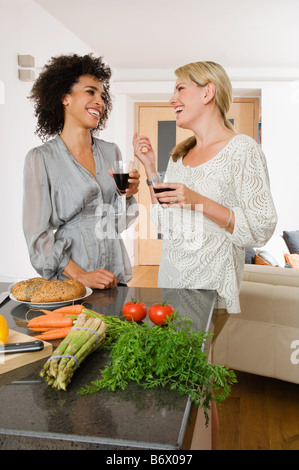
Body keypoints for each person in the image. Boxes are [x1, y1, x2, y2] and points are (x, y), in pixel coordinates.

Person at [133, 61, 277, 314]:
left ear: (207, 92)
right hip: (171, 282)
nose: (171, 99)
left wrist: (198, 201)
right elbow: (167, 222)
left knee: (201, 354)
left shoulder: (242, 150)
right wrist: (151, 170)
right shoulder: (179, 155)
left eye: (180, 89)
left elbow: (260, 228)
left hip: (212, 289)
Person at [23, 53, 139, 290]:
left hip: (113, 274)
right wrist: (80, 275)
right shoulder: (41, 158)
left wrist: (126, 196)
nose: (100, 101)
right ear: (64, 97)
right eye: (91, 92)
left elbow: (115, 223)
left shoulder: (110, 152)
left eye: (102, 96)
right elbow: (37, 235)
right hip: (71, 281)